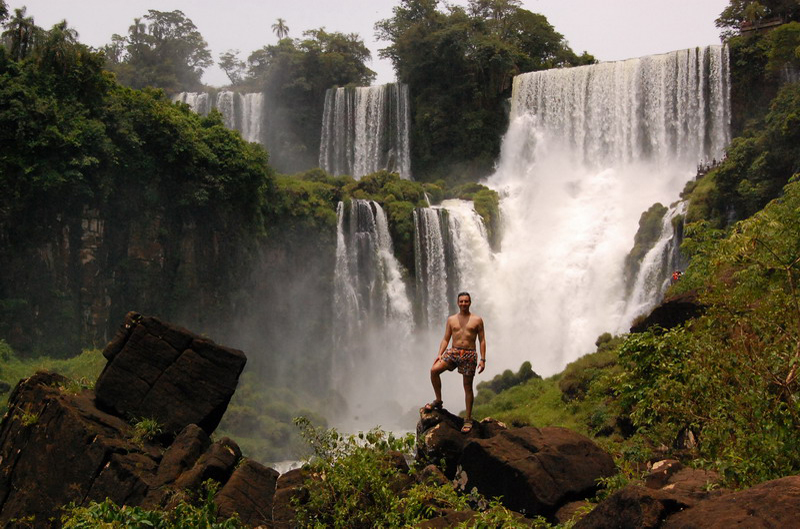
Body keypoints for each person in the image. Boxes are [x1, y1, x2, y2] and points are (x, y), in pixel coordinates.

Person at [424, 291, 486, 433]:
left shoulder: (477, 320)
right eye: (461, 301)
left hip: (469, 354)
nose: (463, 304)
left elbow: (482, 340)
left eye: (466, 301)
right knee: (434, 370)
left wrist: (483, 359)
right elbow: (446, 338)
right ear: (458, 303)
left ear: (470, 302)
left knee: (467, 386)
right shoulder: (451, 319)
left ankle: (468, 419)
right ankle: (438, 401)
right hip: (453, 352)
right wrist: (440, 354)